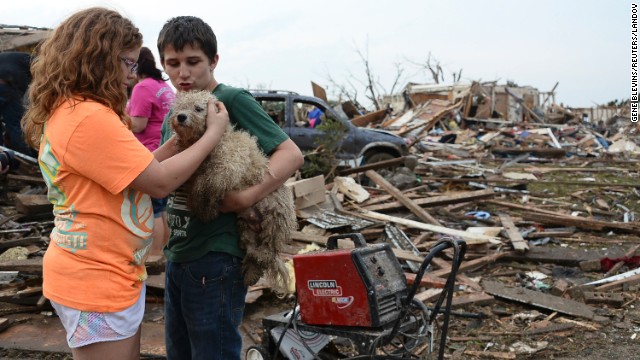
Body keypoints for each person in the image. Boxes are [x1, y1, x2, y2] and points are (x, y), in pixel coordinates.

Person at [21, 8, 229, 360]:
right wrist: (213, 133)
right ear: (100, 59)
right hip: (94, 279)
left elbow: (139, 169)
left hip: (108, 272)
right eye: (128, 63)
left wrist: (177, 144)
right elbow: (159, 183)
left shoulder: (80, 111)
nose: (132, 77)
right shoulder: (87, 118)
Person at [157, 16, 304, 360]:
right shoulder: (177, 110)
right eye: (173, 64)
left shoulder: (229, 100)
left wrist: (245, 198)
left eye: (193, 62)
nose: (183, 73)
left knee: (214, 352)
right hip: (180, 252)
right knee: (179, 352)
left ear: (213, 60)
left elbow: (291, 154)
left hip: (217, 255)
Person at [127, 46, 176, 257]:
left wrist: (115, 120)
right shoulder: (163, 86)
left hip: (150, 152)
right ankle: (163, 251)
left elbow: (138, 124)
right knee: (163, 208)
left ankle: (154, 255)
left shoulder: (142, 87)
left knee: (154, 210)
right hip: (169, 151)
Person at [0, 51, 34, 156]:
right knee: (17, 125)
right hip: (5, 86)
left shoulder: (15, 57)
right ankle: (26, 155)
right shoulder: (39, 64)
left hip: (6, 83)